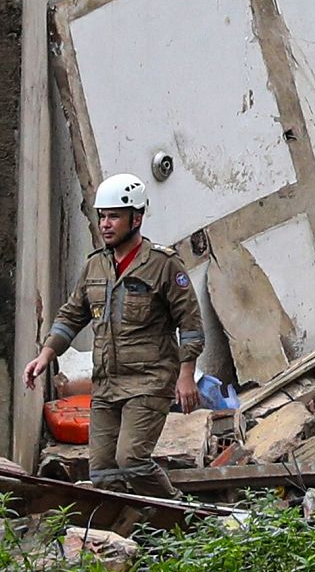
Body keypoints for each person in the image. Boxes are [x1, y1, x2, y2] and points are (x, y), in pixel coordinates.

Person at [24, 174, 203, 497]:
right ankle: (141, 533)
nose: (105, 224)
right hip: (106, 384)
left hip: (148, 381)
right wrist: (45, 354)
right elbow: (71, 314)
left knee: (132, 460)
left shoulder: (163, 265)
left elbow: (190, 324)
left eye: (114, 216)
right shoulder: (95, 266)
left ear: (136, 219)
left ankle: (185, 521)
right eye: (102, 216)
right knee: (104, 473)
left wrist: (186, 374)